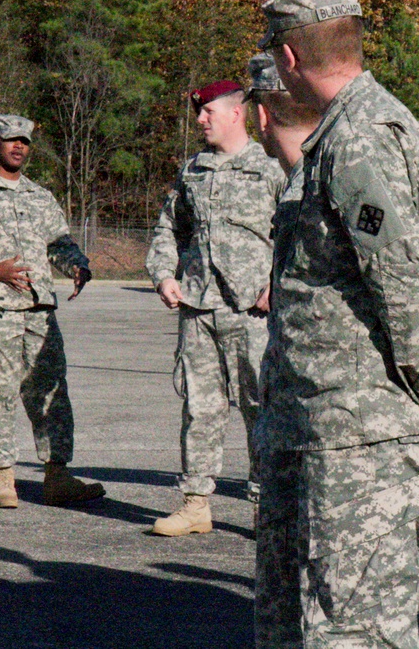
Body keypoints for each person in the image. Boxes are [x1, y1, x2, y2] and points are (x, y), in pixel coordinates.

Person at [257, 0, 419, 647]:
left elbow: (403, 279)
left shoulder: (363, 137)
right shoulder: (341, 134)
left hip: (361, 432)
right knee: (302, 620)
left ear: (290, 57)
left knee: (356, 628)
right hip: (320, 422)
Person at [145, 80, 286, 537]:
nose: (200, 120)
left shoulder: (272, 168)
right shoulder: (194, 171)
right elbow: (168, 228)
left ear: (235, 114)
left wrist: (276, 282)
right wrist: (165, 275)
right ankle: (195, 504)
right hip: (200, 306)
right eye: (199, 112)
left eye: (207, 112)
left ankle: (268, 508)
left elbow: (297, 231)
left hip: (254, 311)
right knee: (200, 409)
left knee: (262, 408)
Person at [0, 115, 104, 508]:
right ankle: (4, 479)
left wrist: (77, 265)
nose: (18, 147)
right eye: (11, 140)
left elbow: (59, 242)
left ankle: (57, 475)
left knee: (50, 394)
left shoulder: (39, 196)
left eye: (25, 142)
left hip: (38, 312)